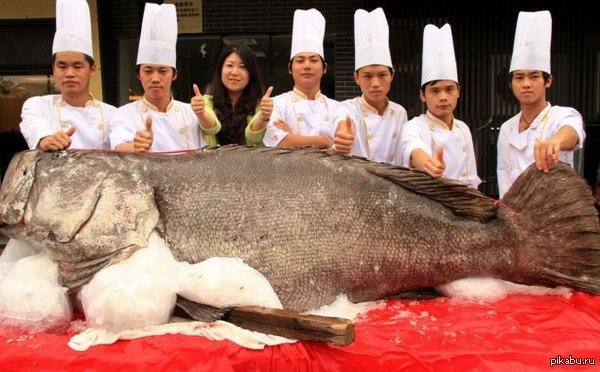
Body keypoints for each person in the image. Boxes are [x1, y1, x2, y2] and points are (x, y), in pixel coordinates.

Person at [497, 10, 585, 197]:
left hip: (554, 216)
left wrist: (555, 141)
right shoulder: (506, 129)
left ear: (548, 81)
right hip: (515, 218)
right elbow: (504, 178)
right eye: (519, 77)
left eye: (534, 76)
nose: (526, 83)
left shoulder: (561, 115)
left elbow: (573, 130)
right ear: (510, 83)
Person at [19, 0, 116, 151]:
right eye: (62, 66)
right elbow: (34, 126)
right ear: (54, 69)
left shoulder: (112, 114)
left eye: (77, 66)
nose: (69, 73)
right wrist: (45, 139)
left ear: (92, 69)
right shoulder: (39, 106)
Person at [109, 3, 206, 153]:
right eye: (148, 71)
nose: (155, 78)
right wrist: (135, 147)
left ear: (174, 74)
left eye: (162, 71)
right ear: (138, 75)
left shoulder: (191, 113)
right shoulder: (123, 114)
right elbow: (118, 146)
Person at [400, 24, 481, 189]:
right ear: (422, 95)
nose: (443, 97)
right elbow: (413, 148)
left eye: (449, 89)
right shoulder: (414, 126)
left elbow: (471, 176)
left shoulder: (463, 129)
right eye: (435, 91)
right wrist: (427, 163)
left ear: (458, 91)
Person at [331, 8, 407, 165]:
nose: (375, 83)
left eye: (382, 75)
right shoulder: (347, 108)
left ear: (392, 75)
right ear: (356, 78)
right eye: (367, 76)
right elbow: (342, 121)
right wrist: (342, 135)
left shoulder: (400, 112)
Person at [263, 8, 338, 149]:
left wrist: (295, 139)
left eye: (314, 60)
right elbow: (278, 143)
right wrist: (322, 141)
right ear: (290, 68)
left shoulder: (337, 108)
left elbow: (342, 150)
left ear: (325, 68)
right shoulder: (276, 104)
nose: (307, 66)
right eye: (300, 60)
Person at [192, 44, 273, 147]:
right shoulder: (206, 101)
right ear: (220, 69)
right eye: (229, 65)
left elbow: (253, 136)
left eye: (242, 66)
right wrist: (201, 113)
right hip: (214, 162)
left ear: (251, 73)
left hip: (252, 162)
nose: (234, 72)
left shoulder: (262, 104)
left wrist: (264, 116)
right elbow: (212, 129)